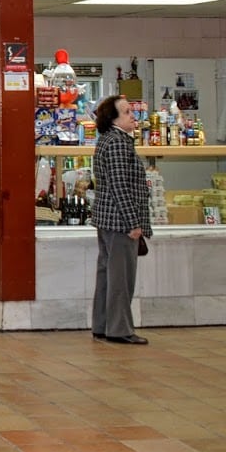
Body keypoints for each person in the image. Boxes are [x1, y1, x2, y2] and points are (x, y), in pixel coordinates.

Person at [90, 94, 150, 345]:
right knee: (121, 278)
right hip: (119, 222)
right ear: (113, 118)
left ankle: (103, 324)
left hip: (108, 219)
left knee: (107, 275)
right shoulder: (117, 143)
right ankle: (120, 329)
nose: (132, 115)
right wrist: (134, 223)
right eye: (126, 112)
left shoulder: (109, 140)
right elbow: (120, 186)